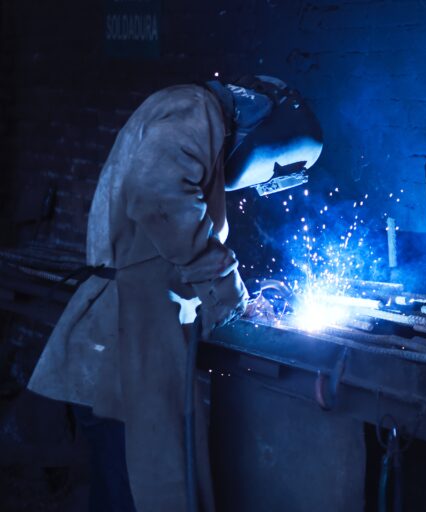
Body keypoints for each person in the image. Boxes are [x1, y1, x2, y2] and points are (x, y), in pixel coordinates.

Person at [27, 75, 323, 511]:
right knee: (140, 489)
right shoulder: (196, 109)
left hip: (131, 334)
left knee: (123, 486)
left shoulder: (193, 115)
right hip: (129, 341)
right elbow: (159, 196)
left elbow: (167, 234)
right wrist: (229, 294)